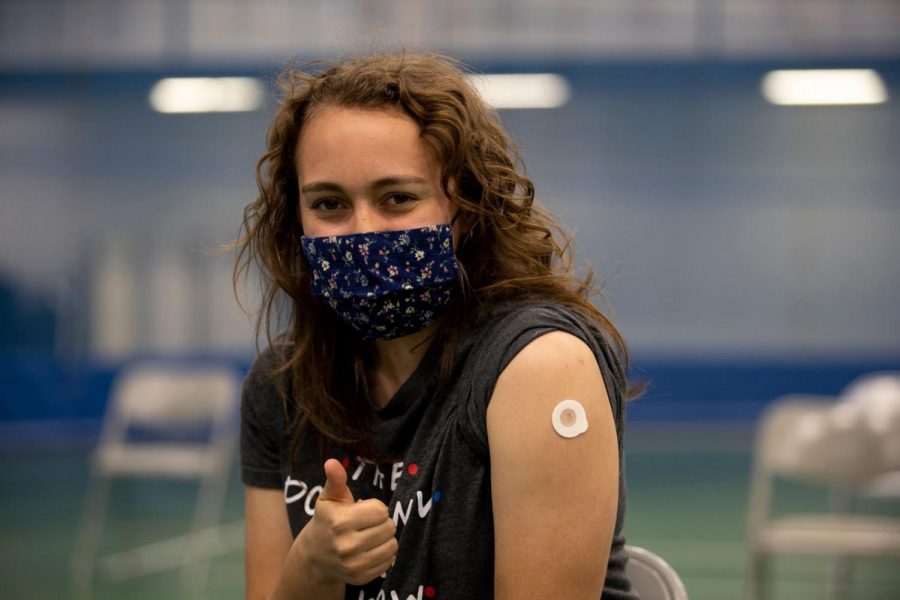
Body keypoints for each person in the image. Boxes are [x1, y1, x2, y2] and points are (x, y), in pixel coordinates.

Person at [235, 52, 639, 600]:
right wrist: (311, 568)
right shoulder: (282, 382)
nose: (363, 232)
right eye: (329, 203)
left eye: (397, 198)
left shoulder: (538, 365)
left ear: (465, 208)